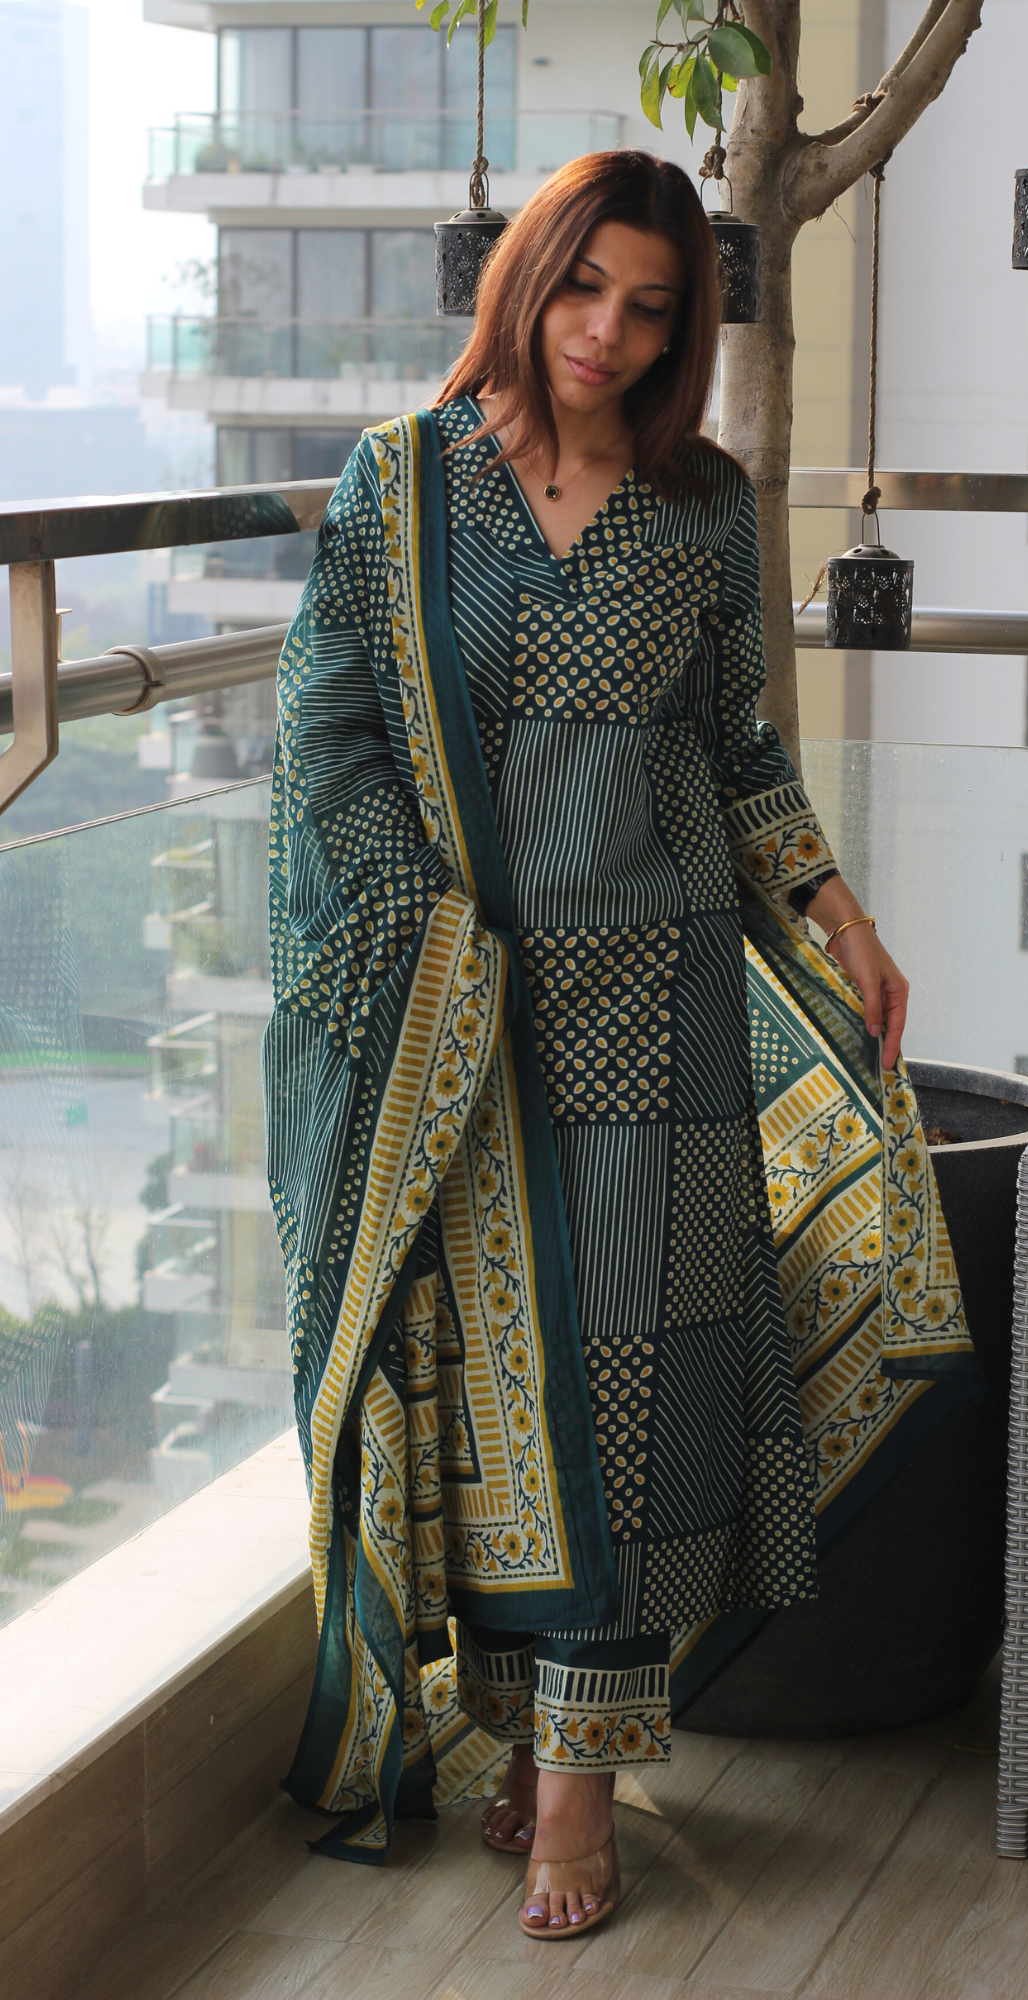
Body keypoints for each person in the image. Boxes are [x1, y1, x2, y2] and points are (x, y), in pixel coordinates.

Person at [263, 148, 975, 1942]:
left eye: (651, 309)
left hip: (656, 1002)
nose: (608, 332)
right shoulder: (401, 485)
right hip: (458, 1018)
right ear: (529, 276)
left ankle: (581, 1775)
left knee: (635, 1394)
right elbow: (327, 734)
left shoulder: (700, 507)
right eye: (585, 286)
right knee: (494, 1394)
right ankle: (516, 1728)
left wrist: (836, 908)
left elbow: (734, 746)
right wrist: (428, 953)